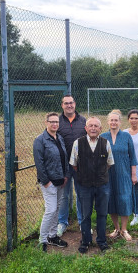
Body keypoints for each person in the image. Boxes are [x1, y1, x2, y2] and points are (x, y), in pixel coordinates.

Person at [70, 116, 114, 253]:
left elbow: (109, 164)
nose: (93, 128)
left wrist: (98, 175)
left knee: (102, 213)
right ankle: (86, 241)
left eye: (96, 126)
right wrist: (87, 175)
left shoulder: (106, 143)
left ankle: (101, 241)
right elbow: (74, 165)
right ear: (86, 128)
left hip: (102, 185)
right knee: (85, 215)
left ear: (100, 129)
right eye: (91, 126)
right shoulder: (78, 143)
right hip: (84, 185)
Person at [33, 112, 70, 252]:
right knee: (50, 210)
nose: (54, 124)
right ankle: (42, 240)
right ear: (46, 122)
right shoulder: (40, 140)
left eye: (57, 122)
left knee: (57, 209)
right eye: (52, 122)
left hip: (61, 180)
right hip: (49, 182)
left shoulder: (59, 138)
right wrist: (46, 181)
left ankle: (53, 236)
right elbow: (39, 163)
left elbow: (64, 158)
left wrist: (66, 176)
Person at [101, 110, 137, 241]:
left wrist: (133, 175)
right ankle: (116, 229)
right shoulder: (103, 137)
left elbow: (133, 157)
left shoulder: (126, 137)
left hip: (124, 174)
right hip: (108, 174)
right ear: (108, 122)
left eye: (116, 120)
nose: (113, 122)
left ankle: (124, 229)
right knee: (111, 200)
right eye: (111, 120)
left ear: (120, 122)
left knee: (124, 199)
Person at [56, 95, 88, 237]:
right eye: (66, 103)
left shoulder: (83, 121)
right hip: (64, 166)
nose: (69, 105)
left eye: (71, 103)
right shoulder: (57, 121)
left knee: (81, 194)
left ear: (75, 104)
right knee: (64, 195)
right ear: (62, 105)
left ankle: (82, 222)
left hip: (80, 165)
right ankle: (62, 222)